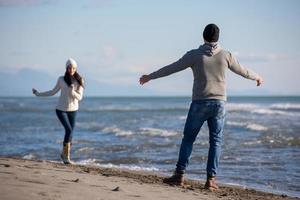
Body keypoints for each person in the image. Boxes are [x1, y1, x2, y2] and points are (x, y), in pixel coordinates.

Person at [139, 24, 263, 190]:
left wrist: (150, 76)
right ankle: (211, 180)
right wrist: (257, 77)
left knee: (188, 139)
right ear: (218, 38)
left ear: (203, 37)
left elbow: (172, 68)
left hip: (199, 103)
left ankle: (179, 175)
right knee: (216, 142)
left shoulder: (195, 55)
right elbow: (243, 71)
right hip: (219, 104)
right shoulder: (227, 55)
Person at [32, 58, 84, 164]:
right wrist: (38, 94)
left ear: (76, 68)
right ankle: (66, 157)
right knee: (69, 130)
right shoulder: (61, 79)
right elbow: (52, 92)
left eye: (74, 68)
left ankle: (64, 154)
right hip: (61, 109)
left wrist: (72, 91)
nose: (72, 69)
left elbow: (79, 97)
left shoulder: (79, 80)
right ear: (66, 68)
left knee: (71, 133)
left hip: (73, 110)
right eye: (70, 67)